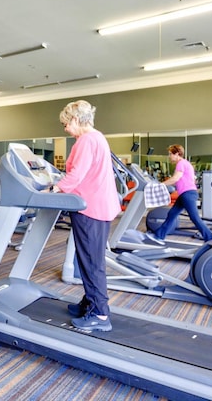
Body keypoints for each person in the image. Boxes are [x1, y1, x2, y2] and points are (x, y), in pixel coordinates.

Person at [50, 100, 121, 332]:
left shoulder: (85, 140)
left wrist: (56, 188)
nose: (65, 130)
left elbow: (76, 174)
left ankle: (100, 315)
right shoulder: (98, 137)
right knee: (90, 260)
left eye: (65, 124)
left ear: (74, 120)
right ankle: (90, 301)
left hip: (91, 209)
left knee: (91, 262)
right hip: (99, 206)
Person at [147, 144, 212, 243]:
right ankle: (159, 235)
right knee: (172, 213)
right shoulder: (185, 163)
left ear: (177, 154)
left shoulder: (181, 163)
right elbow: (180, 180)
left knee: (194, 217)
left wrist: (160, 185)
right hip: (184, 194)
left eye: (170, 154)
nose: (169, 156)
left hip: (188, 194)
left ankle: (210, 238)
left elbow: (175, 178)